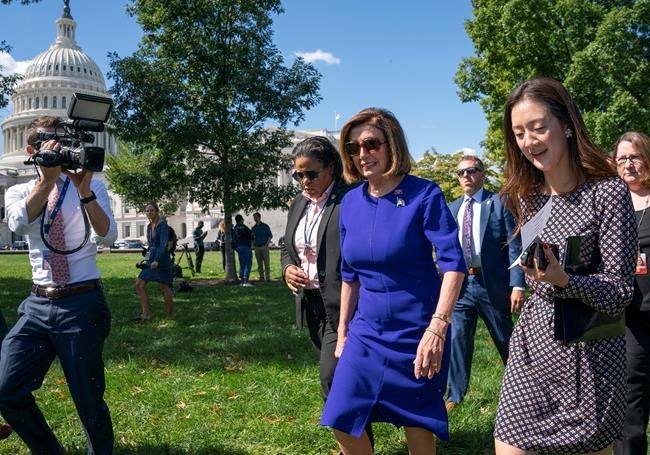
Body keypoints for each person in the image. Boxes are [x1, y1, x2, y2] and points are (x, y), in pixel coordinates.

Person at [495, 77, 636, 454]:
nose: (529, 142)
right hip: (532, 349)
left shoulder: (608, 193)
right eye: (520, 133)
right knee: (508, 443)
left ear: (568, 125)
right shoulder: (527, 197)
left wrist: (564, 280)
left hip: (589, 360)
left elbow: (620, 293)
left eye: (538, 128)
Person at [320, 108, 466, 454]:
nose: (362, 154)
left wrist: (438, 327)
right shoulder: (350, 202)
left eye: (371, 144)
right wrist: (342, 332)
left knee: (417, 423)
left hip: (418, 331)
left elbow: (453, 264)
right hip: (366, 330)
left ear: (391, 145)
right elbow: (350, 275)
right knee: (341, 416)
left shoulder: (424, 194)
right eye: (354, 148)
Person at [1, 115, 117, 454]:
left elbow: (108, 235)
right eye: (47, 145)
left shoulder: (92, 186)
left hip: (81, 302)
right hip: (37, 305)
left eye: (61, 145)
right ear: (30, 150)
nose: (57, 151)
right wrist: (46, 182)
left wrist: (83, 193)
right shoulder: (20, 190)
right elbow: (20, 223)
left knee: (88, 399)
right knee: (6, 389)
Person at [281, 136, 376, 447]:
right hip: (312, 306)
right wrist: (287, 269)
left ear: (332, 169)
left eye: (311, 174)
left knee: (331, 380)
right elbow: (287, 247)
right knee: (344, 383)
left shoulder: (350, 200)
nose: (304, 181)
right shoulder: (299, 204)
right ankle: (361, 443)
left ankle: (353, 446)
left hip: (345, 306)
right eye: (299, 175)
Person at [446, 155, 525, 411]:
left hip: (492, 284)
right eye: (460, 173)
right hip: (462, 285)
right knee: (458, 338)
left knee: (504, 338)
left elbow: (514, 245)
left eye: (471, 171)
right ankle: (454, 396)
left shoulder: (500, 202)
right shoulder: (453, 208)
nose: (466, 176)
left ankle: (523, 387)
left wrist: (518, 284)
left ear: (482, 174)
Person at [612, 131, 650, 455]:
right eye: (622, 158)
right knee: (632, 404)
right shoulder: (610, 203)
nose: (628, 164)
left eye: (634, 156)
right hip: (630, 318)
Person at [134, 202, 174, 321]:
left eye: (152, 210)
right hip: (151, 259)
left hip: (162, 259)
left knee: (163, 287)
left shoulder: (163, 226)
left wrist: (157, 260)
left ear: (157, 211)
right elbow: (151, 246)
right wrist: (146, 259)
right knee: (139, 284)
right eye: (147, 211)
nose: (149, 213)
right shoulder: (148, 227)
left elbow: (163, 244)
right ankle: (145, 314)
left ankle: (170, 317)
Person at [251, 212, 273, 282]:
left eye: (256, 217)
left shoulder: (265, 226)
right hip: (257, 247)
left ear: (259, 217)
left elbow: (270, 236)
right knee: (259, 264)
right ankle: (261, 277)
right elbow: (252, 237)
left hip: (264, 247)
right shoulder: (253, 228)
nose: (255, 219)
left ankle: (268, 278)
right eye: (254, 218)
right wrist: (253, 244)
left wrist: (267, 244)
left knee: (266, 263)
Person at [233, 214, 253, 287]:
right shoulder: (243, 227)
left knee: (242, 264)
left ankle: (241, 281)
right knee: (248, 263)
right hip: (245, 246)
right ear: (241, 220)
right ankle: (246, 281)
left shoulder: (235, 227)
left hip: (238, 247)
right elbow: (250, 233)